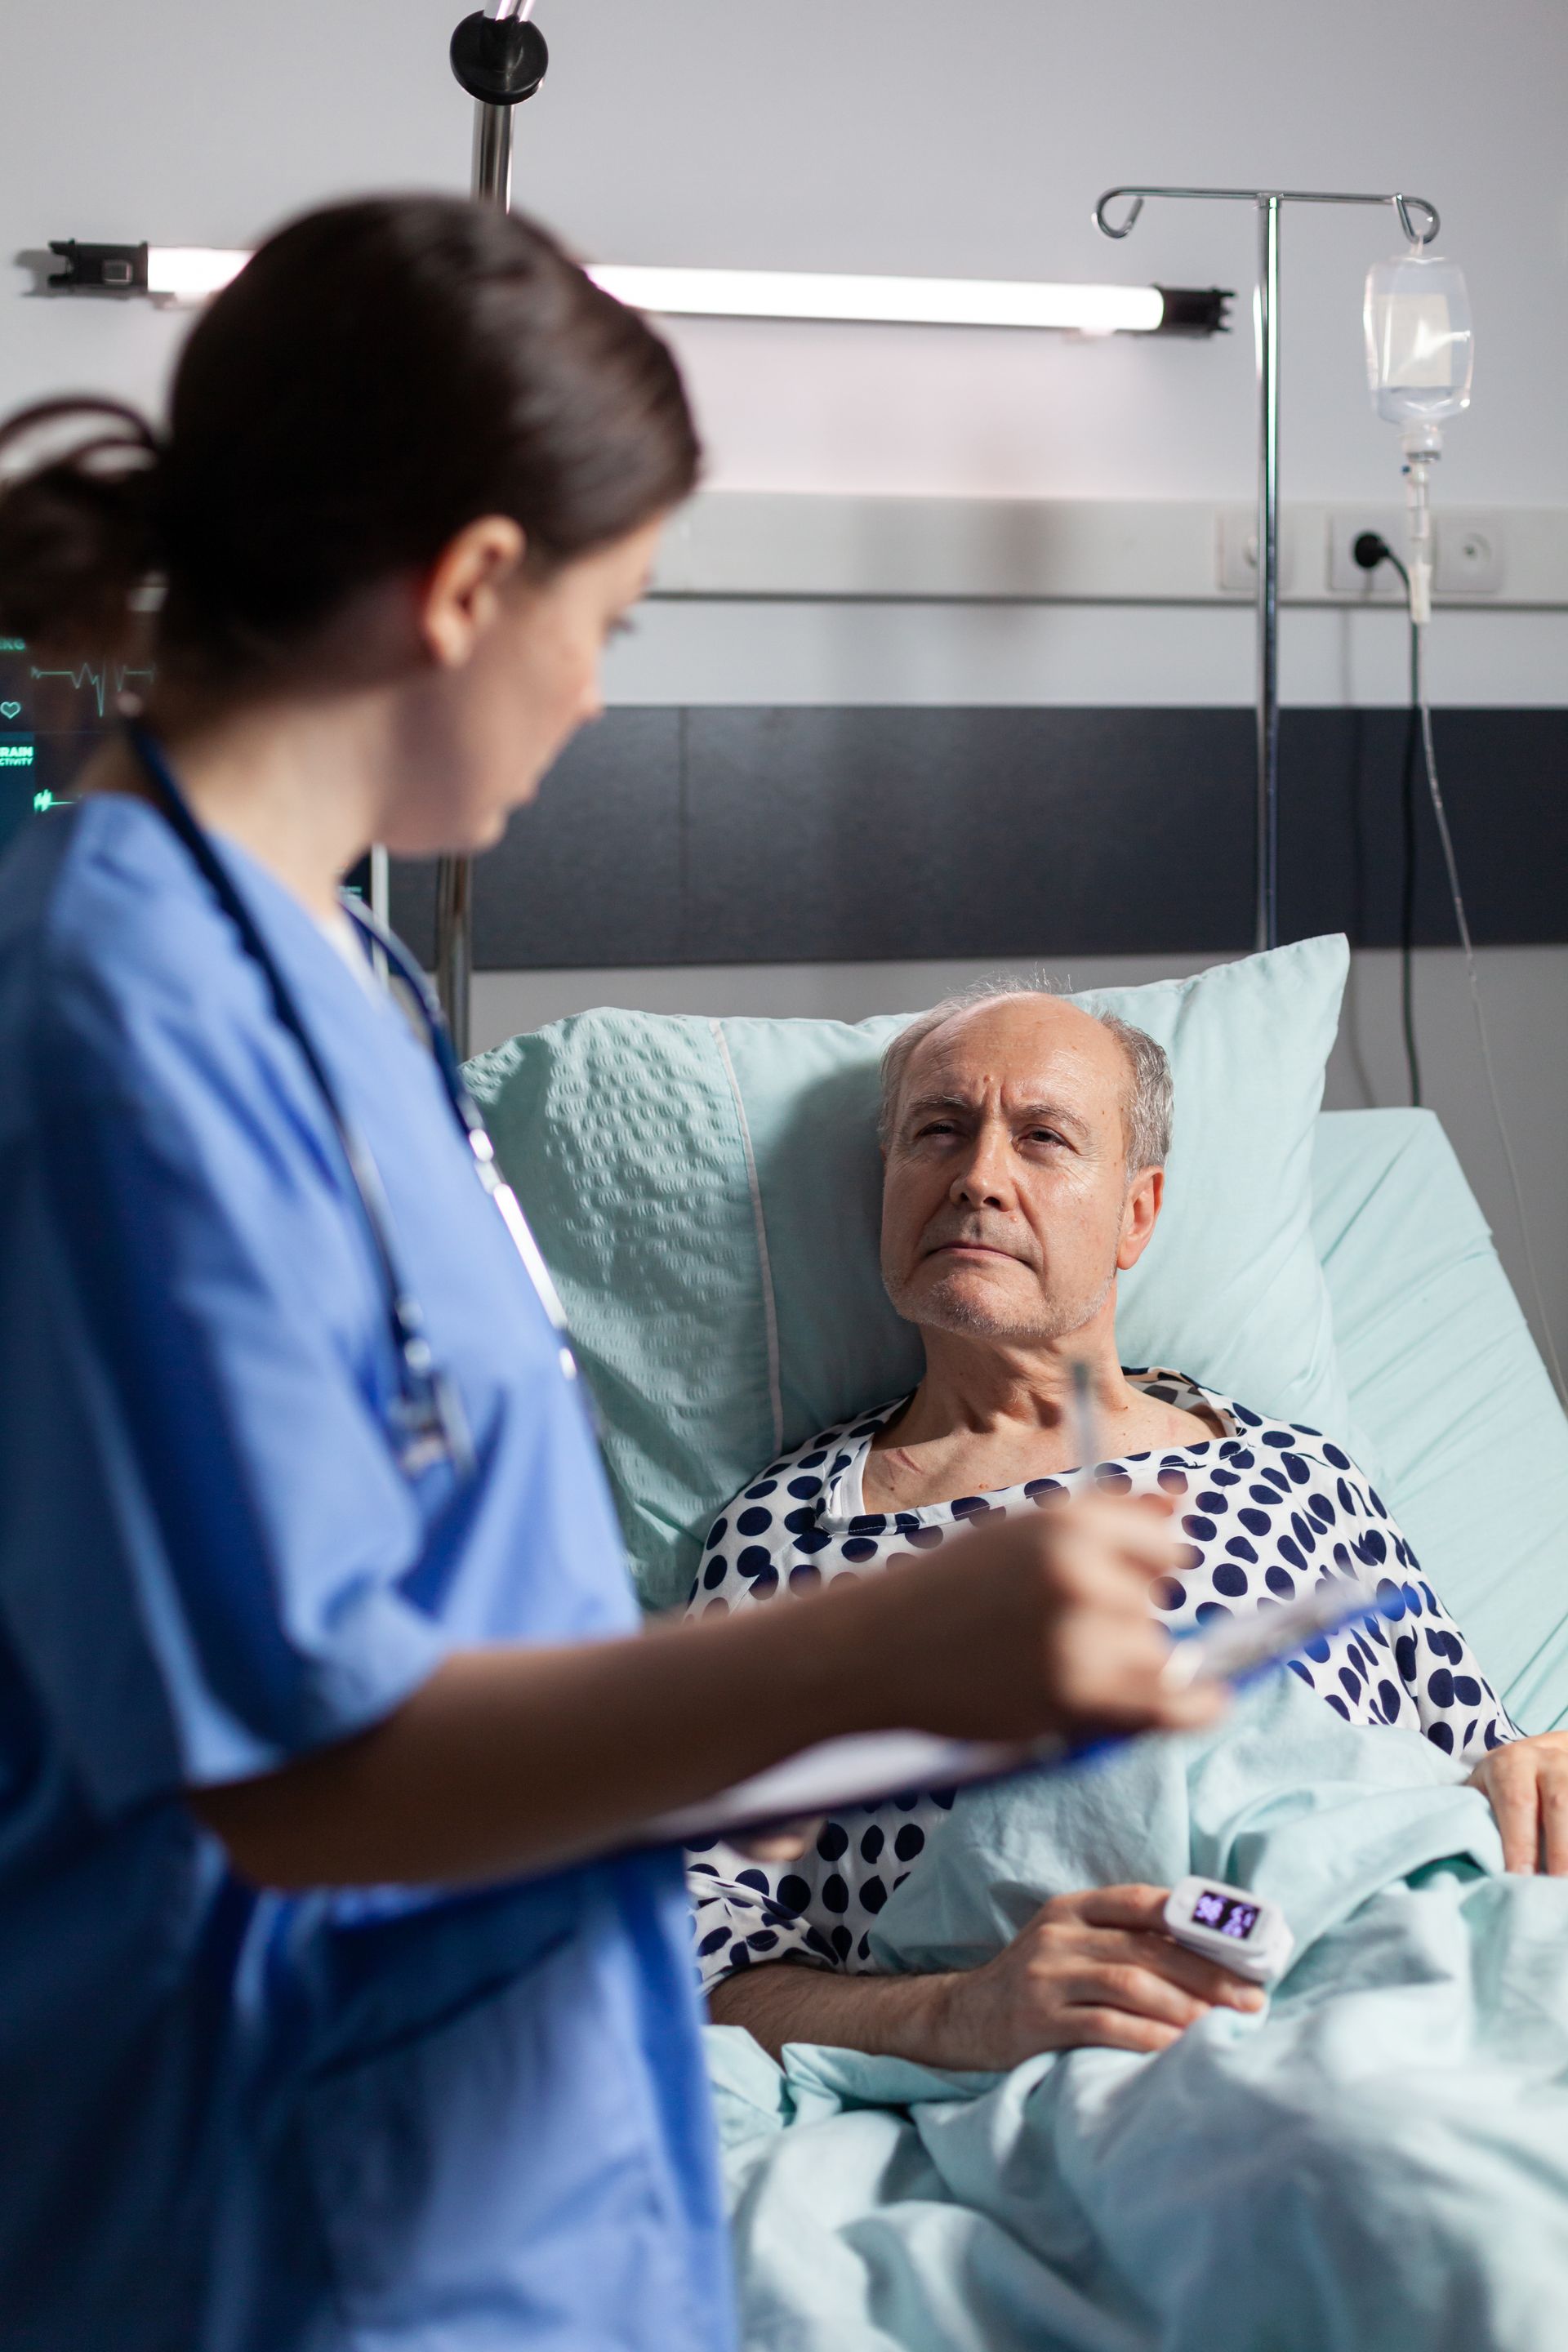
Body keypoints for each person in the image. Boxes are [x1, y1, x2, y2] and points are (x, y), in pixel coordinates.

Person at [0, 201, 1220, 2352]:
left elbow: (479, 1617)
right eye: (611, 623)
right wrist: (886, 1644)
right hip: (280, 2209)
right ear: (469, 590)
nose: (586, 698)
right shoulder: (115, 1027)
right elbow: (296, 1774)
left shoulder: (349, 979)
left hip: (526, 2164)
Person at [689, 982, 1568, 2067]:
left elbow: (1488, 1773)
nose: (978, 1179)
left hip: (1408, 1977)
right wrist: (960, 2013)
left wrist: (1537, 1771)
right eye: (939, 1131)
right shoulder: (786, 1540)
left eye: (1045, 1138)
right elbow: (709, 1965)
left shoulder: (1293, 1474)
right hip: (1098, 2066)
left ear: (1136, 1215)